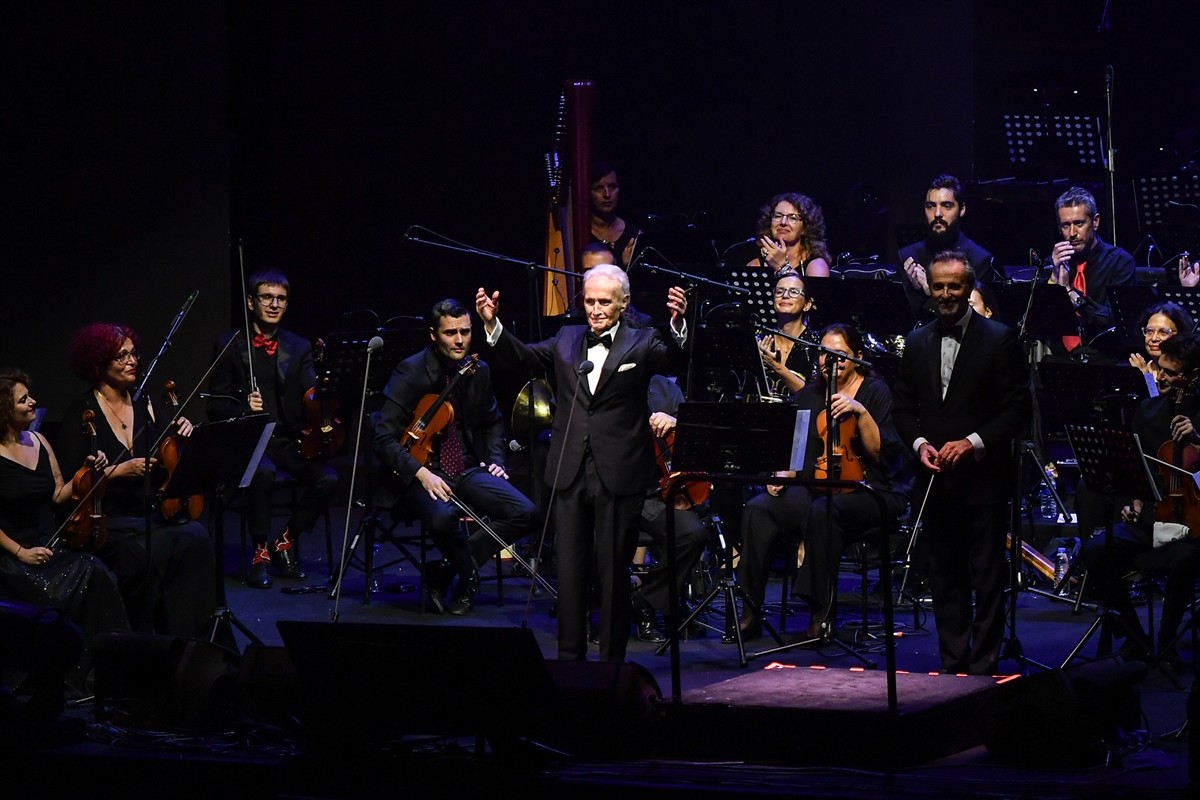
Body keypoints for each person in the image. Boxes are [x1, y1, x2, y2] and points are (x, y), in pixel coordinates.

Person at [476, 264, 688, 662]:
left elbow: (673, 359)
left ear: (623, 303)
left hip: (618, 472)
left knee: (611, 574)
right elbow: (521, 356)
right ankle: (569, 662)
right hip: (570, 469)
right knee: (569, 572)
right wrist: (493, 325)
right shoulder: (566, 339)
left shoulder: (641, 343)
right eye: (589, 301)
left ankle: (611, 664)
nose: (595, 309)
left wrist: (678, 325)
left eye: (604, 302)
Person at [893, 250, 1031, 675]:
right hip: (934, 479)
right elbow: (901, 409)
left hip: (984, 479)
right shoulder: (916, 341)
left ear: (969, 288)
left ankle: (984, 663)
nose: (947, 294)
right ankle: (953, 662)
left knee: (987, 575)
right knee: (944, 575)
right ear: (929, 290)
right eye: (939, 287)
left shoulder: (1000, 338)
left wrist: (972, 442)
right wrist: (919, 444)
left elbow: (1017, 411)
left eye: (955, 286)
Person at [736, 324, 911, 640]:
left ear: (857, 357)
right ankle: (750, 610)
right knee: (759, 509)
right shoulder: (811, 394)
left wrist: (861, 413)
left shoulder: (875, 392)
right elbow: (798, 442)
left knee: (823, 511)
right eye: (824, 354)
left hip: (871, 489)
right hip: (820, 486)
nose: (832, 361)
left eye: (840, 355)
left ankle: (821, 611)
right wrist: (782, 474)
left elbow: (881, 454)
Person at [373, 298, 537, 616]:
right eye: (450, 333)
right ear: (434, 335)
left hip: (464, 466)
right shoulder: (411, 371)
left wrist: (496, 459)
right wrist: (421, 473)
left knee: (525, 512)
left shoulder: (479, 370)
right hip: (418, 473)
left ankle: (447, 570)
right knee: (443, 517)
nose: (459, 340)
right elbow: (382, 437)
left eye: (465, 331)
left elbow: (492, 422)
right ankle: (468, 577)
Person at [58, 324, 218, 640]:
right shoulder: (82, 412)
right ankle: (146, 637)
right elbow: (72, 484)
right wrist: (119, 471)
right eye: (122, 356)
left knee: (196, 536)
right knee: (148, 551)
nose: (132, 361)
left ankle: (190, 638)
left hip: (149, 511)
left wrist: (180, 429)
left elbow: (166, 448)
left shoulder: (145, 402)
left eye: (133, 354)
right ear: (98, 364)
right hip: (109, 520)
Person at [207, 268, 338, 589]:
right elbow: (213, 405)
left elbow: (310, 393)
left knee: (328, 479)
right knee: (262, 474)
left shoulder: (299, 345)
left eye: (281, 299)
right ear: (251, 302)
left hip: (285, 441)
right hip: (248, 440)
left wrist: (320, 393)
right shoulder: (230, 344)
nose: (274, 304)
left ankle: (285, 542)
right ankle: (260, 554)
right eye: (267, 297)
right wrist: (242, 408)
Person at [0, 370, 129, 690]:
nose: (33, 403)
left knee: (96, 572)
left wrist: (87, 471)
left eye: (30, 396)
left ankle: (103, 670)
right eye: (23, 400)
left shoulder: (40, 441)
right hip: (11, 554)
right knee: (48, 592)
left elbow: (59, 495)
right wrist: (21, 553)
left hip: (45, 545)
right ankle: (47, 677)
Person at [1078, 332, 1200, 670]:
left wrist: (1198, 439)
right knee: (1096, 549)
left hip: (1194, 526)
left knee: (1186, 559)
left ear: (1193, 376)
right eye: (1160, 369)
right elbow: (1134, 469)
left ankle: (1168, 640)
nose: (1160, 377)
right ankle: (1135, 637)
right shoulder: (1147, 412)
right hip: (1153, 518)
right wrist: (1132, 500)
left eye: (1171, 373)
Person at [630, 374, 710, 643]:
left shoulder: (665, 387)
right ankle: (664, 603)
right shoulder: (601, 384)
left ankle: (649, 599)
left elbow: (693, 436)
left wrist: (678, 423)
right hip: (624, 492)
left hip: (663, 491)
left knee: (693, 533)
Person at [1046, 186, 1136, 358]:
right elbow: (1039, 320)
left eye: (1079, 223)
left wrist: (1069, 292)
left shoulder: (1120, 262)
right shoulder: (1054, 262)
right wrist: (1053, 280)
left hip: (1104, 355)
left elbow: (1111, 321)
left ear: (1095, 221)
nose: (1072, 233)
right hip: (1061, 356)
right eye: (1066, 225)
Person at [898, 174, 996, 325]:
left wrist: (930, 292)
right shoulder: (908, 256)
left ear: (962, 209)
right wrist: (914, 292)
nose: (937, 213)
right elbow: (901, 318)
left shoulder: (980, 259)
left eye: (947, 206)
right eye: (930, 206)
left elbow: (976, 320)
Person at [756, 268, 820, 398]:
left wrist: (777, 367)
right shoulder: (759, 338)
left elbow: (813, 397)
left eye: (794, 292)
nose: (785, 295)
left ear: (807, 304)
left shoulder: (817, 343)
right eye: (779, 291)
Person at [746, 192, 831, 277]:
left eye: (793, 218)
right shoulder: (755, 265)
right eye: (778, 216)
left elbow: (811, 290)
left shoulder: (817, 266)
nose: (783, 222)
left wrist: (781, 266)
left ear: (805, 228)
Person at [1128, 300, 1195, 390]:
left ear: (1180, 335)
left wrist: (1146, 379)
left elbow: (1160, 403)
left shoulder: (1183, 374)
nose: (1154, 338)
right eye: (1149, 331)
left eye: (1163, 332)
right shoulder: (1133, 368)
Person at [588, 160, 641, 269]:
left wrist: (629, 266)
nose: (607, 195)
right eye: (598, 188)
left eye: (612, 187)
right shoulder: (576, 234)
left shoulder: (634, 236)